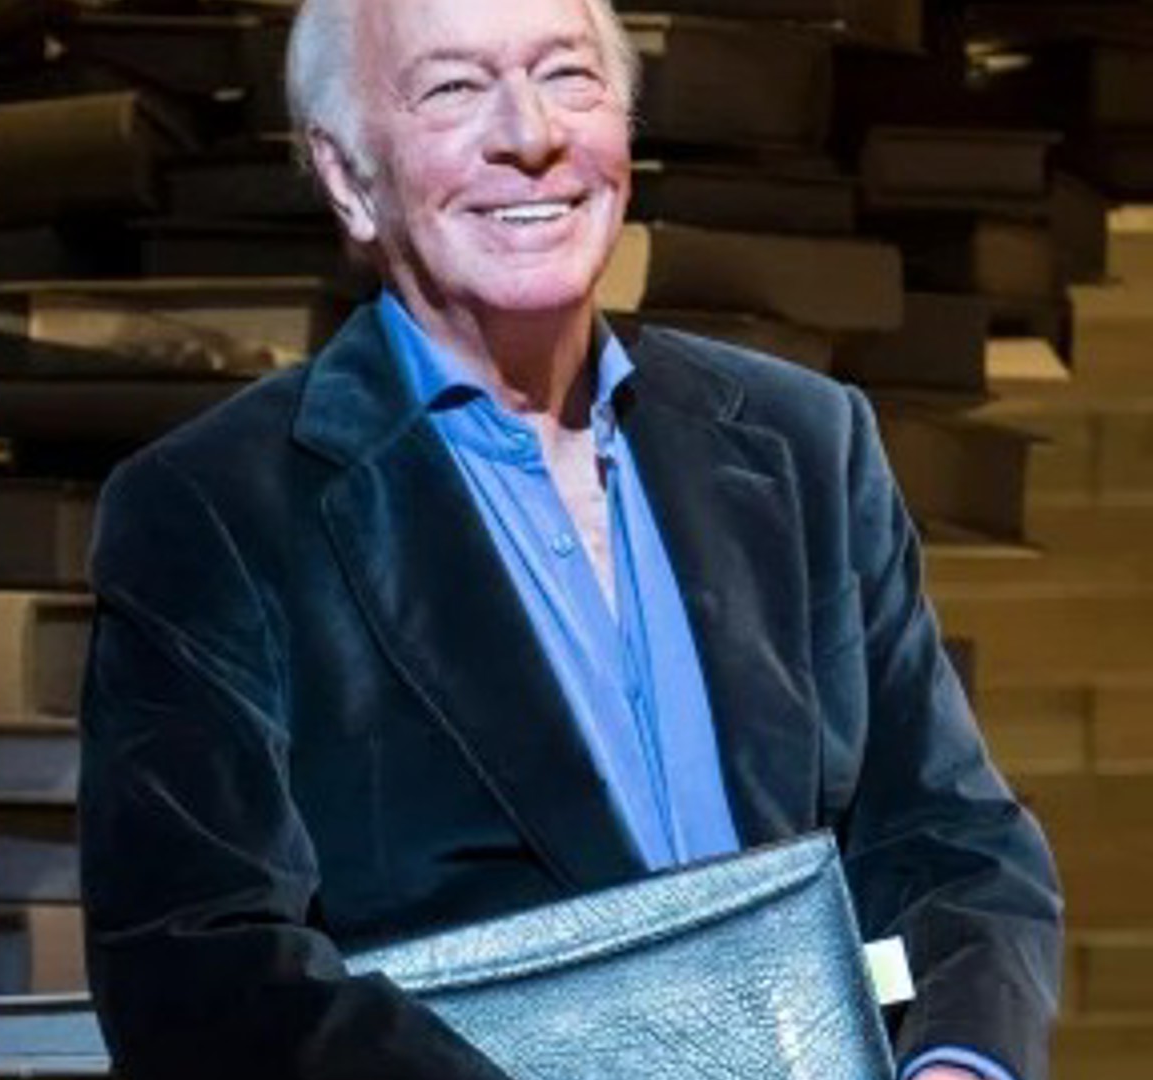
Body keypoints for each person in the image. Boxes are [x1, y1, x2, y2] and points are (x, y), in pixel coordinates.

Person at [76, 0, 1063, 1077]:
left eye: (568, 77)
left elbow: (953, 846)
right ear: (348, 178)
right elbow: (198, 974)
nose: (531, 134)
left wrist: (958, 1064)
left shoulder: (804, 442)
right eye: (453, 88)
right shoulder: (214, 510)